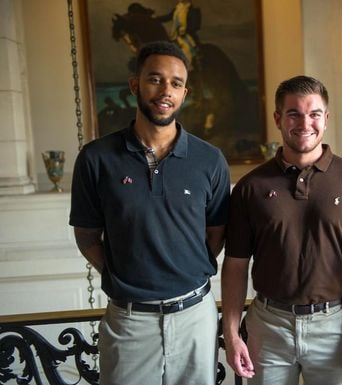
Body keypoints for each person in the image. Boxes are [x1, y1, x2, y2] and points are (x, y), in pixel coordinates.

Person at [69, 41, 230, 385]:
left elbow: (216, 233)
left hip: (195, 316)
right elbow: (86, 237)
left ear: (185, 92)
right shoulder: (96, 158)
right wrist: (123, 272)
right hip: (129, 320)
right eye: (155, 79)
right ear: (135, 85)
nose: (165, 91)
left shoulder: (210, 160)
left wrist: (181, 265)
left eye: (175, 83)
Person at [221, 75, 342, 385]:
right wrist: (231, 335)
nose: (304, 122)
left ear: (326, 118)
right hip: (268, 327)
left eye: (313, 114)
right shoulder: (250, 187)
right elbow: (235, 266)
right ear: (278, 119)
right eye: (293, 113)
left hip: (333, 327)